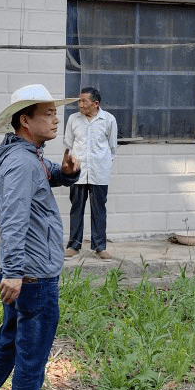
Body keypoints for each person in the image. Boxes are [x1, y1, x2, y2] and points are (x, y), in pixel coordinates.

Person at [0, 84, 80, 390]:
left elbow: (47, 173)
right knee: (32, 354)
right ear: (25, 120)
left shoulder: (27, 154)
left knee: (8, 340)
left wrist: (66, 172)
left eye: (55, 112)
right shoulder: (23, 162)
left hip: (27, 273)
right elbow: (14, 220)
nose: (56, 119)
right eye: (48, 113)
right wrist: (15, 272)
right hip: (33, 275)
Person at [63, 87, 118, 261]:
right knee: (76, 209)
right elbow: (69, 144)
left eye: (84, 101)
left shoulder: (108, 120)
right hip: (78, 173)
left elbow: (112, 147)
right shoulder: (73, 119)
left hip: (99, 173)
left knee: (99, 210)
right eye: (79, 101)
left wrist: (103, 164)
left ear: (95, 103)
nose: (80, 104)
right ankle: (73, 246)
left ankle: (99, 247)